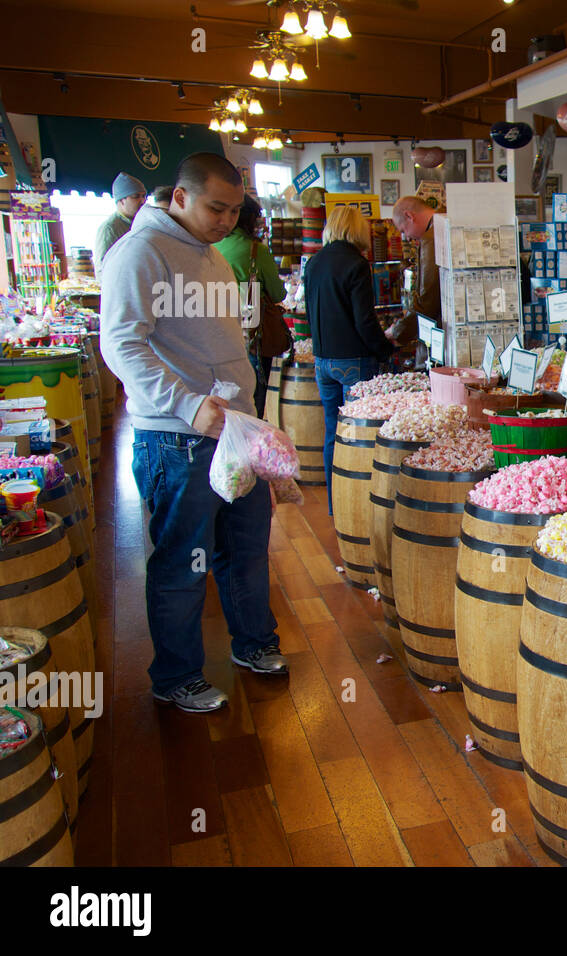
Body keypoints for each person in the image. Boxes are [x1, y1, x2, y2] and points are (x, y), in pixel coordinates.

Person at [100, 152, 287, 714]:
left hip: (233, 432)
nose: (227, 220)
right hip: (176, 438)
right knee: (185, 562)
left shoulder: (213, 257)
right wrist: (185, 403)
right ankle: (176, 674)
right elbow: (120, 343)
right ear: (179, 197)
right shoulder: (140, 252)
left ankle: (254, 644)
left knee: (247, 550)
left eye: (235, 209)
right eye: (215, 207)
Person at [303, 205, 395, 512]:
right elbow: (364, 321)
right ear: (357, 230)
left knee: (334, 431)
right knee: (359, 434)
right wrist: (386, 349)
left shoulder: (314, 262)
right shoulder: (356, 264)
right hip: (354, 360)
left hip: (322, 360)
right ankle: (357, 506)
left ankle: (336, 503)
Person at [214, 194, 287, 418]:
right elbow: (278, 293)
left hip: (218, 330)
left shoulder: (212, 247)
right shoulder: (256, 250)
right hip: (252, 332)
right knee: (255, 391)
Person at [385, 195, 442, 365]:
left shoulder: (431, 239)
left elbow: (428, 299)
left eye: (403, 230)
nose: (407, 238)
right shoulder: (442, 224)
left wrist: (398, 331)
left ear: (410, 216)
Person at [93, 172, 147, 276]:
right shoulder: (109, 228)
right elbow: (102, 269)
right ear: (122, 200)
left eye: (144, 196)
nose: (142, 201)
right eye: (136, 196)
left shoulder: (142, 223)